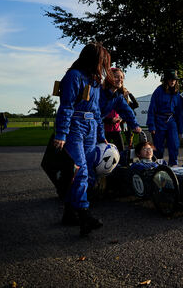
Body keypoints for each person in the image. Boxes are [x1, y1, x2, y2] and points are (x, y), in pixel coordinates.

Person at [54, 42, 113, 236]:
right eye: (102, 61)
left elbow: (96, 110)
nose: (104, 66)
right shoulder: (73, 77)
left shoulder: (94, 81)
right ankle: (84, 214)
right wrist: (62, 133)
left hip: (90, 128)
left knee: (88, 174)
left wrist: (101, 136)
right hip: (75, 127)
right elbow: (66, 106)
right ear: (93, 59)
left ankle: (70, 213)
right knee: (79, 171)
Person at [147, 69, 183, 166]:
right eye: (170, 79)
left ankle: (173, 165)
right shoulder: (158, 91)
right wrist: (151, 126)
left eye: (174, 79)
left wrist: (182, 130)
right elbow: (152, 109)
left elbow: (180, 113)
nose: (172, 81)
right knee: (158, 147)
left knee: (174, 144)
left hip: (171, 121)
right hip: (159, 121)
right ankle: (157, 165)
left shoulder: (177, 93)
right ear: (166, 80)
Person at [101, 68, 141, 152]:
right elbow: (95, 113)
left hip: (112, 128)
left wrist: (135, 125)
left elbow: (127, 111)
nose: (120, 80)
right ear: (109, 78)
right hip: (91, 126)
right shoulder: (100, 92)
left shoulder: (118, 96)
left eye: (122, 77)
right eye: (116, 77)